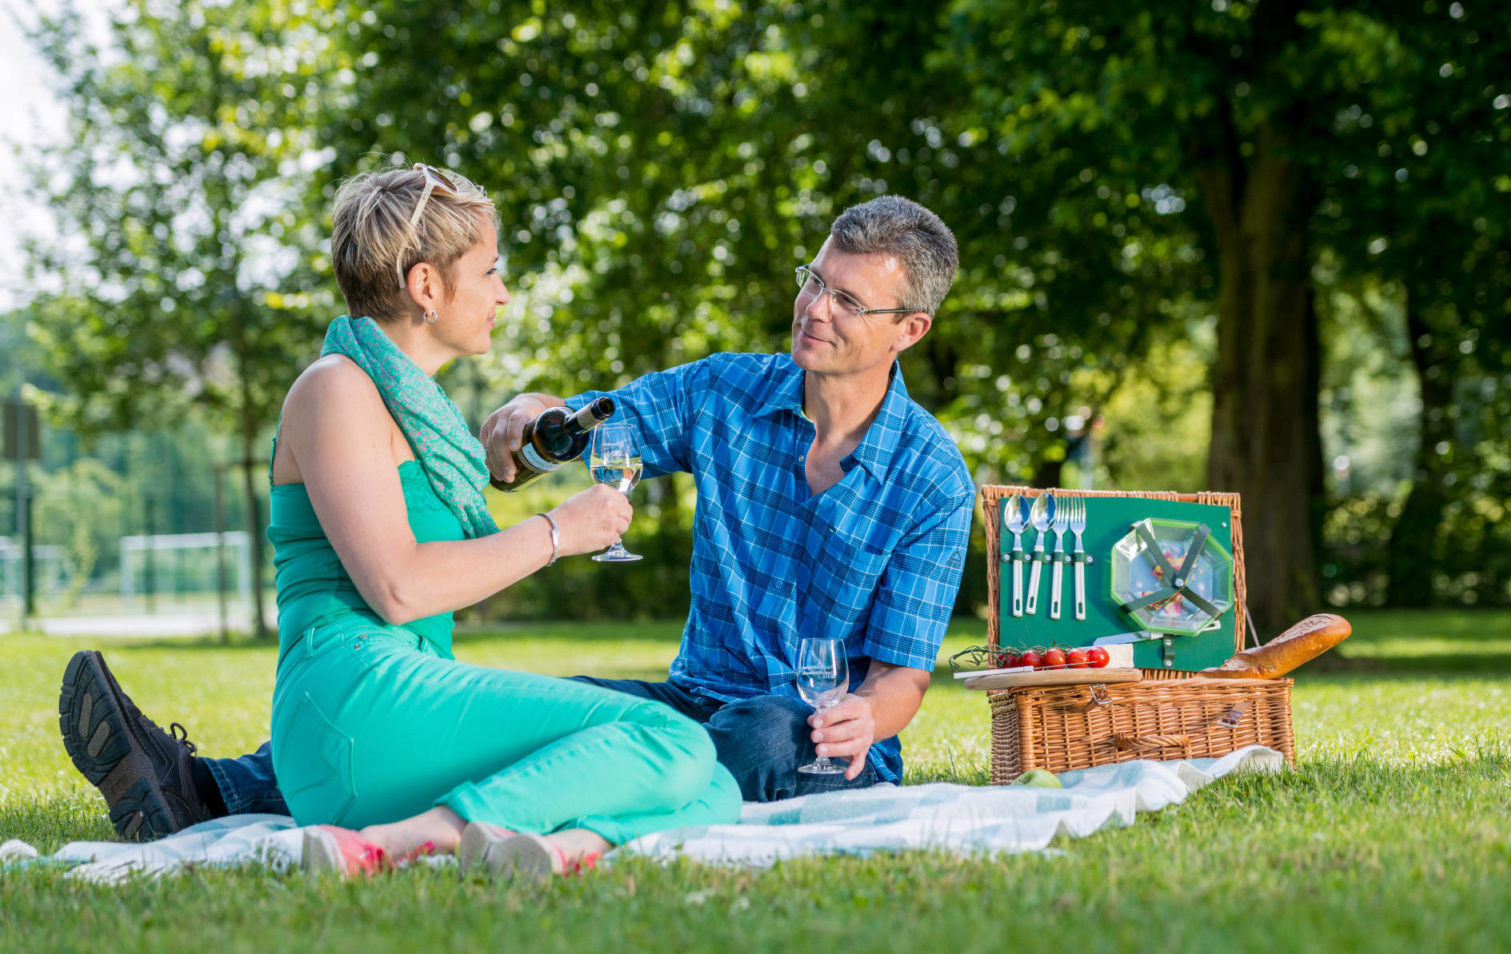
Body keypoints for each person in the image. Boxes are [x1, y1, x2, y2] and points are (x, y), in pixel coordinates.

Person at [59, 192, 975, 839]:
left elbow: (903, 678)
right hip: (693, 695)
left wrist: (864, 714)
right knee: (549, 721)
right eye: (814, 279)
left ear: (909, 329)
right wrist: (536, 425)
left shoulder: (932, 480)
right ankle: (208, 787)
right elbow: (603, 424)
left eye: (848, 299)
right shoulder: (731, 391)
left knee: (761, 734)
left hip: (817, 734)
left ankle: (412, 815)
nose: (814, 307)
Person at [56, 163, 744, 876]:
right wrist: (557, 531)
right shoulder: (335, 390)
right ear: (426, 287)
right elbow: (398, 586)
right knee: (672, 741)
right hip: (352, 703)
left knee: (713, 776)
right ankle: (419, 837)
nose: (503, 293)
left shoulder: (426, 420)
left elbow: (451, 552)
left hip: (408, 699)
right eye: (489, 272)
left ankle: (553, 850)